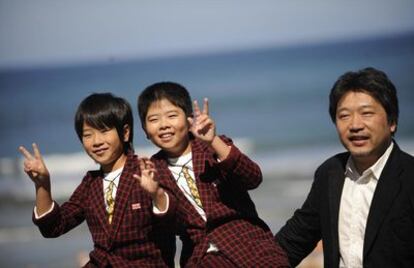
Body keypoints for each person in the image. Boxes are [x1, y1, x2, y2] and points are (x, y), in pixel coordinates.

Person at [137, 82, 289, 267]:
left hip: (249, 243)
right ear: (145, 130)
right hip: (201, 256)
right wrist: (156, 194)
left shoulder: (212, 148)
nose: (163, 125)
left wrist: (213, 141)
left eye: (172, 115)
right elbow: (171, 227)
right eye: (153, 120)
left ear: (189, 118)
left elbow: (253, 178)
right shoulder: (152, 171)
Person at [275, 67, 414, 267]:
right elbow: (294, 240)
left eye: (366, 113)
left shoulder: (409, 177)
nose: (355, 125)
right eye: (344, 116)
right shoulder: (330, 173)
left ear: (392, 121)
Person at [19, 93, 176, 267]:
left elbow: (173, 218)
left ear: (125, 132)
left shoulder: (148, 170)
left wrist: (156, 194)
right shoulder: (90, 183)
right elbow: (54, 227)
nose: (96, 141)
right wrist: (42, 186)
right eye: (88, 135)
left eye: (104, 131)